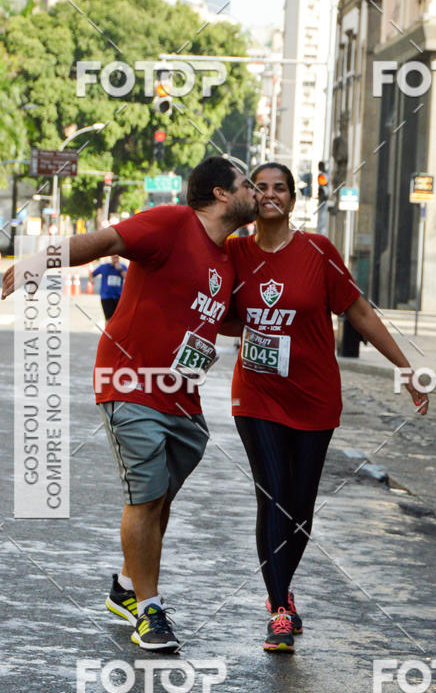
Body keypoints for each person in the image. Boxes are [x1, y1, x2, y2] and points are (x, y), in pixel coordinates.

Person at [3, 157, 257, 652]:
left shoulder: (227, 256)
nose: (254, 194)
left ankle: (125, 586)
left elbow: (218, 319)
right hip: (129, 381)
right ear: (222, 194)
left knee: (160, 497)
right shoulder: (170, 223)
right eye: (247, 185)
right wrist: (37, 260)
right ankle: (149, 612)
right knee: (145, 493)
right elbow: (103, 242)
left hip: (182, 395)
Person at [224, 162, 429, 654]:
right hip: (257, 394)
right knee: (272, 496)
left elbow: (358, 310)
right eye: (261, 188)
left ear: (293, 200)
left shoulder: (318, 251)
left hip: (314, 396)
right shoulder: (232, 252)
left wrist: (404, 367)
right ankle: (278, 608)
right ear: (250, 198)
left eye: (280, 189)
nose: (270, 196)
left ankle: (284, 590)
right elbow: (205, 300)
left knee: (299, 506)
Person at [90, 254, 128, 321]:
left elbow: (128, 279)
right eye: (113, 257)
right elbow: (92, 274)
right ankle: (107, 331)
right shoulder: (104, 267)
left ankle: (116, 331)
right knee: (109, 319)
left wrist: (120, 270)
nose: (115, 259)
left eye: (117, 257)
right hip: (106, 296)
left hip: (119, 297)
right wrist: (91, 280)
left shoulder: (122, 267)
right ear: (111, 257)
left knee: (118, 319)